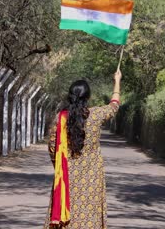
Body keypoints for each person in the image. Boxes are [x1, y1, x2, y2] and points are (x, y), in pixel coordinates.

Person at [44, 70, 122, 229]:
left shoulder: (60, 119)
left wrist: (61, 168)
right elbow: (114, 106)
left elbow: (52, 147)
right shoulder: (96, 115)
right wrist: (117, 81)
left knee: (67, 218)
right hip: (92, 177)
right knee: (90, 216)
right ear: (88, 97)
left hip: (67, 176)